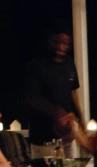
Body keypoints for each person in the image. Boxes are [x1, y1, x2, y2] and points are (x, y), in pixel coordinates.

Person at [21, 21, 83, 159]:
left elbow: (72, 91)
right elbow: (31, 98)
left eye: (65, 43)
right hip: (44, 134)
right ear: (49, 40)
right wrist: (56, 111)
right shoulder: (36, 65)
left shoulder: (69, 63)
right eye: (56, 42)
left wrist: (81, 119)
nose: (61, 47)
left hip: (67, 133)